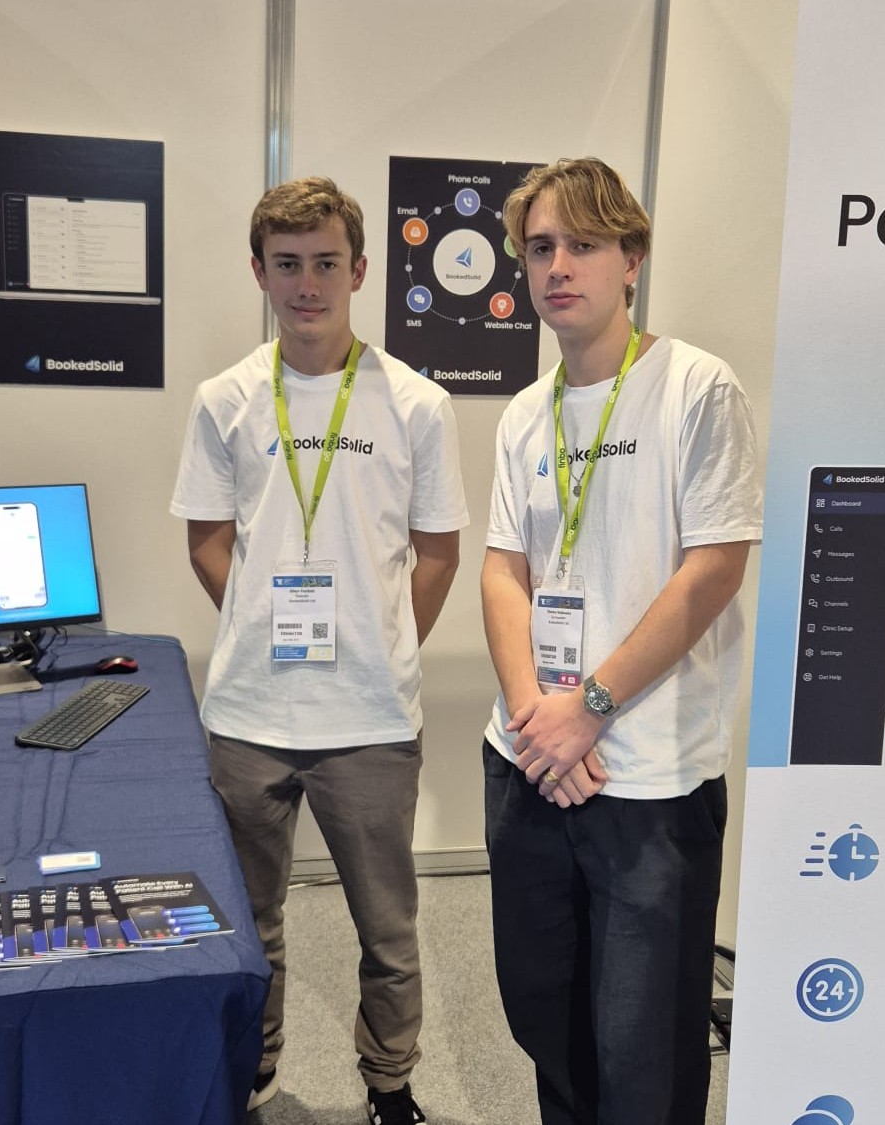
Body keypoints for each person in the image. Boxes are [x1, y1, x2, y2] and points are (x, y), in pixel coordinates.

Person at [170, 176, 467, 1125]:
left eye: (327, 263)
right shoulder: (225, 399)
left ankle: (390, 1083)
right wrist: (261, 624)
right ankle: (252, 1075)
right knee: (248, 924)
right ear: (259, 272)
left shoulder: (417, 403)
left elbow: (439, 551)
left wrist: (382, 642)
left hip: (369, 719)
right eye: (288, 264)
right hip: (249, 715)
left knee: (387, 926)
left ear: (360, 270)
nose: (308, 284)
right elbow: (207, 539)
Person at [479, 157, 762, 1124]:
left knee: (646, 1052)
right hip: (532, 759)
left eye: (585, 244)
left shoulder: (696, 387)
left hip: (647, 780)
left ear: (632, 258)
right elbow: (503, 572)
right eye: (540, 247)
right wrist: (537, 718)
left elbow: (713, 569)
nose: (559, 266)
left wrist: (588, 708)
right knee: (546, 1018)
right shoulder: (527, 412)